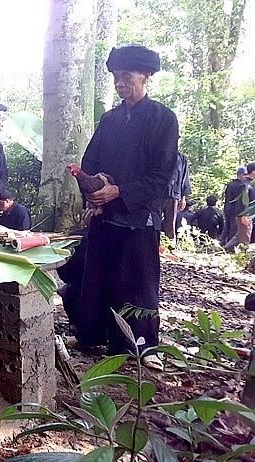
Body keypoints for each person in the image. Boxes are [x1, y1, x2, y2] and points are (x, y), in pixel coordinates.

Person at [76, 44, 178, 369]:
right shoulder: (109, 119)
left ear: (146, 76)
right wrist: (93, 190)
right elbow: (89, 160)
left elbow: (161, 176)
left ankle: (145, 347)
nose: (121, 83)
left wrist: (119, 191)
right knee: (98, 279)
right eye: (117, 78)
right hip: (105, 216)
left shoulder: (163, 119)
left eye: (127, 76)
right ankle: (92, 336)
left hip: (139, 217)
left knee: (139, 284)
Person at [161, 151, 191, 246]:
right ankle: (154, 243)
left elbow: (184, 178)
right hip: (158, 193)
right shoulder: (160, 153)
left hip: (174, 193)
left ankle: (171, 245)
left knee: (170, 221)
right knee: (154, 220)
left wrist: (183, 197)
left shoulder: (181, 158)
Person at [224, 162, 255, 252]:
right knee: (244, 238)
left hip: (248, 215)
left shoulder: (250, 184)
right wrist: (244, 215)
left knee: (239, 236)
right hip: (245, 215)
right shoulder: (246, 185)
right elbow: (244, 201)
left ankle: (226, 249)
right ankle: (240, 254)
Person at [220, 167, 248, 245]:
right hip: (235, 210)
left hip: (228, 208)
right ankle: (230, 245)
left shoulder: (231, 184)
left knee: (227, 226)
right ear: (240, 174)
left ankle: (222, 242)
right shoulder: (241, 185)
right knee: (233, 228)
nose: (246, 177)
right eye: (245, 174)